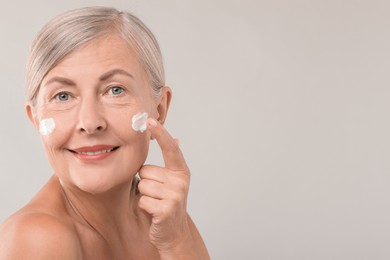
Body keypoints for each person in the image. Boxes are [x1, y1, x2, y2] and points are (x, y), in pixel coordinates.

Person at [0, 6, 209, 259]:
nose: (90, 122)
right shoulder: (37, 239)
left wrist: (176, 242)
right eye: (63, 96)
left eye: (115, 90)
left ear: (159, 109)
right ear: (36, 120)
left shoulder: (168, 219)